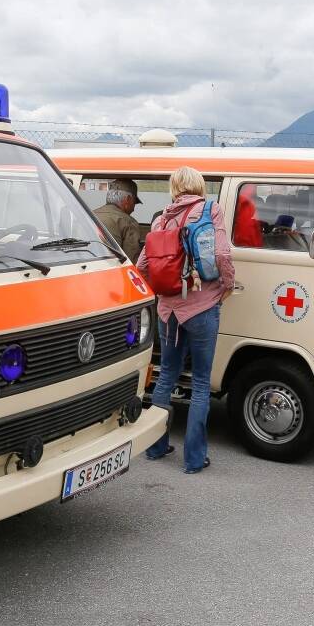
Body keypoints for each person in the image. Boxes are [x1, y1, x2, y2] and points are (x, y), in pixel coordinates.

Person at [136, 166, 234, 474]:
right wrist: (227, 286)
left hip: (168, 310)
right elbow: (221, 256)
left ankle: (156, 446)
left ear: (174, 187)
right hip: (202, 304)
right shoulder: (210, 209)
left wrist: (163, 293)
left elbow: (142, 264)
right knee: (202, 382)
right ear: (199, 185)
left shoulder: (160, 218)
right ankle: (194, 460)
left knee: (166, 375)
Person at [93, 178, 144, 261]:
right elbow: (132, 260)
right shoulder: (128, 222)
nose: (133, 209)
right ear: (128, 199)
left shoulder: (89, 215)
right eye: (134, 202)